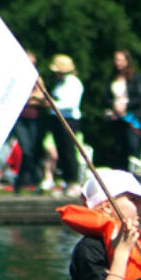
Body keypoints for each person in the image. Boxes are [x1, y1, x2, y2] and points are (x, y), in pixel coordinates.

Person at [44, 54, 84, 195]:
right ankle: (66, 181)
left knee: (69, 151)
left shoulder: (74, 83)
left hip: (69, 120)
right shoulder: (59, 83)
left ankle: (74, 182)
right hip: (57, 119)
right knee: (61, 151)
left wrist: (52, 104)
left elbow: (71, 104)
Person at [104, 49, 141, 170]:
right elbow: (106, 97)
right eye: (116, 60)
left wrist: (126, 106)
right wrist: (113, 106)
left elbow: (140, 97)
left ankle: (135, 174)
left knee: (133, 145)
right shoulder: (112, 78)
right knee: (119, 147)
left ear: (127, 61)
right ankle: (121, 173)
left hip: (131, 117)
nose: (118, 63)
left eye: (121, 60)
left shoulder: (136, 77)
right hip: (116, 117)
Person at [11, 50, 46, 193]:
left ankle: (24, 180)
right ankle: (31, 179)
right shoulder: (17, 77)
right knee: (26, 149)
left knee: (32, 149)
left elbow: (42, 96)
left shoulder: (37, 78)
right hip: (21, 118)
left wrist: (31, 98)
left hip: (34, 117)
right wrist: (32, 98)